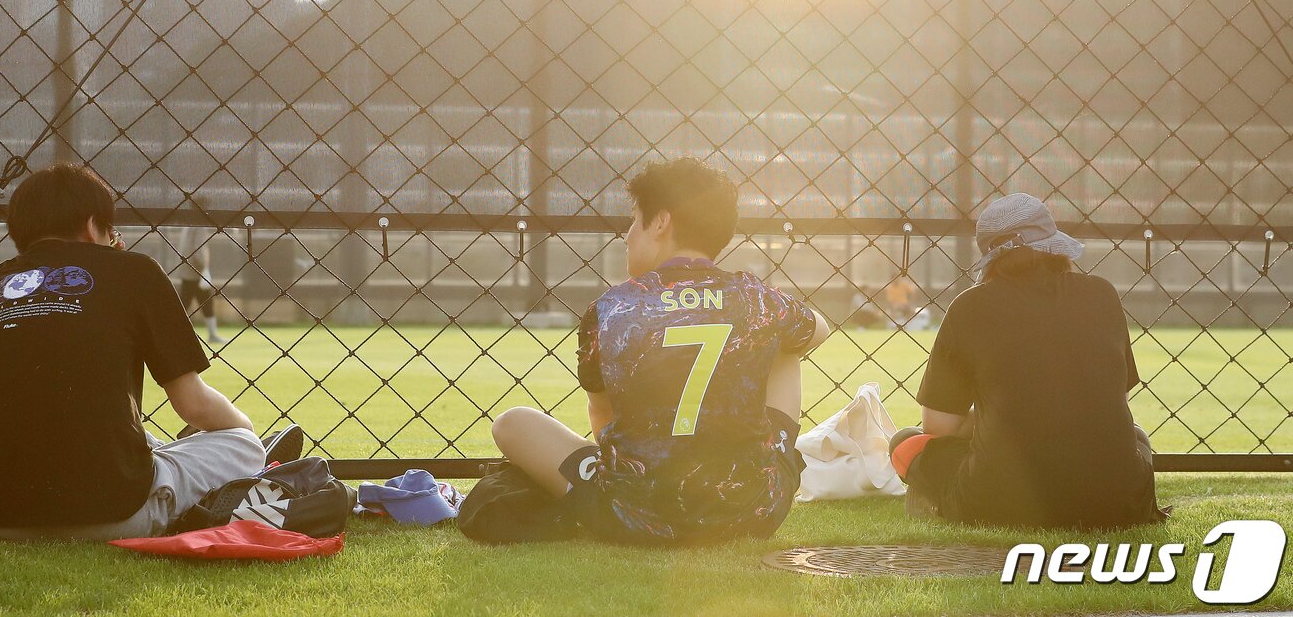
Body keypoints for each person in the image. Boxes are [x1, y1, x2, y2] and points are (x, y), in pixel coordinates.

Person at [490, 158, 831, 545]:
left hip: (631, 516)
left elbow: (602, 416)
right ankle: (764, 461)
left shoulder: (611, 308)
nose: (627, 236)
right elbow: (819, 330)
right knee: (788, 341)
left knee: (511, 422)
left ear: (660, 222)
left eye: (635, 220)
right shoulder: (756, 298)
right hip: (752, 511)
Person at [0, 164, 295, 541]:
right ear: (93, 225)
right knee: (243, 445)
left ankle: (169, 452)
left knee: (101, 430)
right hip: (112, 513)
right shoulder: (136, 271)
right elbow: (193, 405)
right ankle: (238, 464)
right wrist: (242, 428)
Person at [888, 193, 1164, 529]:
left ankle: (935, 501)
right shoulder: (1102, 294)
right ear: (1054, 246)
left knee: (905, 442)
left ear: (990, 258)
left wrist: (997, 418)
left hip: (998, 505)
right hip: (1117, 507)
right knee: (1137, 437)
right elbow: (1114, 400)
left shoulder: (969, 307)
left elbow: (938, 428)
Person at [177, 223, 223, 344]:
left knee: (190, 303)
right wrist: (204, 268)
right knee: (195, 303)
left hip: (187, 271)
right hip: (196, 272)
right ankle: (212, 335)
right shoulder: (199, 226)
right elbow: (199, 248)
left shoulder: (188, 225)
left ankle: (212, 334)